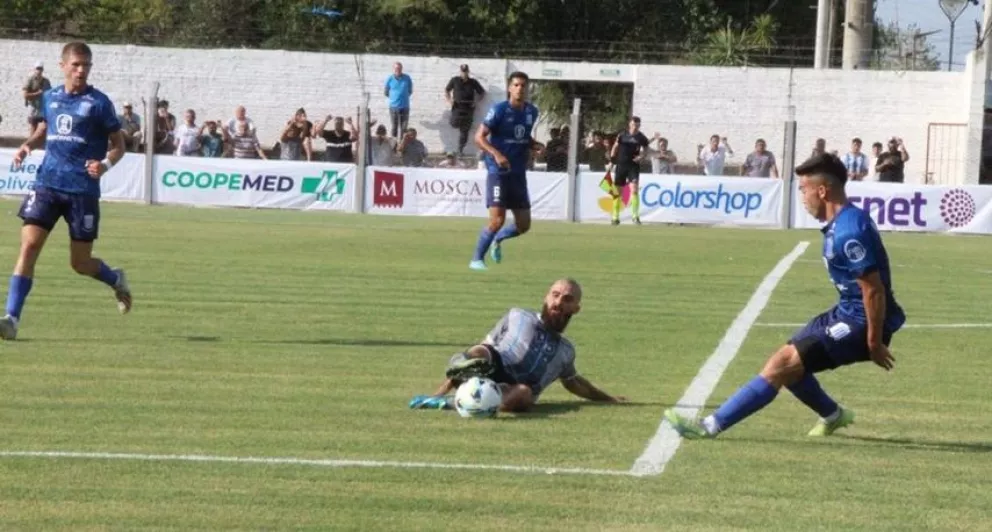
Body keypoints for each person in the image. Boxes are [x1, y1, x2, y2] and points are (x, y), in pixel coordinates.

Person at [665, 153, 905, 439]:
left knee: (782, 364)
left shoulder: (849, 230)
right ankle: (833, 415)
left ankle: (709, 426)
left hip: (860, 321)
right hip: (845, 311)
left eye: (804, 190)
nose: (802, 197)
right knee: (790, 363)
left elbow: (873, 289)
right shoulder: (841, 223)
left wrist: (874, 342)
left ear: (822, 190)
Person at [1, 42, 133, 340]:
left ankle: (115, 278)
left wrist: (105, 165)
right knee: (29, 246)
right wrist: (28, 145)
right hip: (47, 183)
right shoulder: (50, 97)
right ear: (63, 66)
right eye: (75, 64)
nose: (81, 70)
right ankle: (11, 318)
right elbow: (45, 130)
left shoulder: (99, 103)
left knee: (79, 263)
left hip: (81, 191)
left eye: (86, 65)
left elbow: (119, 144)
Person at [409, 279, 626, 412]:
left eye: (567, 299)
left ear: (576, 309)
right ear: (546, 297)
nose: (558, 302)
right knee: (478, 351)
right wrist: (440, 389)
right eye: (555, 295)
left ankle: (449, 404)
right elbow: (487, 344)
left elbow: (575, 383)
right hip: (496, 365)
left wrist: (609, 399)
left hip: (516, 388)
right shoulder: (517, 315)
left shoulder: (566, 351)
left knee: (524, 393)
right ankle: (437, 397)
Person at [469, 71, 544, 271]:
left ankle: (498, 240)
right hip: (498, 172)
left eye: (523, 85)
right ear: (510, 88)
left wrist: (534, 144)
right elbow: (479, 138)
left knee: (524, 225)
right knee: (497, 220)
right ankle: (476, 260)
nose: (520, 89)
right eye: (516, 85)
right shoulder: (499, 110)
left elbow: (522, 137)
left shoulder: (532, 112)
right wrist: (496, 154)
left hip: (518, 173)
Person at [609, 116, 650, 225]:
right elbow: (615, 147)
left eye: (637, 125)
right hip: (621, 165)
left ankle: (635, 216)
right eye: (633, 124)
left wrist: (642, 157)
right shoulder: (622, 135)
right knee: (617, 192)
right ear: (629, 125)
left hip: (633, 166)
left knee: (634, 189)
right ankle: (615, 217)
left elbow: (646, 149)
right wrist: (612, 161)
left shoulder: (641, 137)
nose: (635, 127)